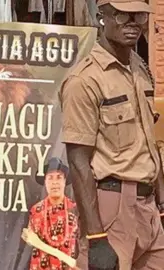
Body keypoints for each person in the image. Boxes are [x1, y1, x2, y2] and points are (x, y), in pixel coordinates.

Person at [59, 0, 164, 269]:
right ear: (101, 16)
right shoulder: (85, 80)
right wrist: (96, 236)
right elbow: (79, 163)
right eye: (121, 15)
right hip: (111, 210)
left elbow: (146, 138)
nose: (132, 23)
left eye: (138, 15)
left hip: (148, 208)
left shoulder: (139, 68)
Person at [28, 158, 79, 270]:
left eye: (59, 177)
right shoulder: (36, 210)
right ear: (45, 182)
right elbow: (31, 240)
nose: (55, 182)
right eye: (50, 178)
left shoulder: (75, 210)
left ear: (65, 181)